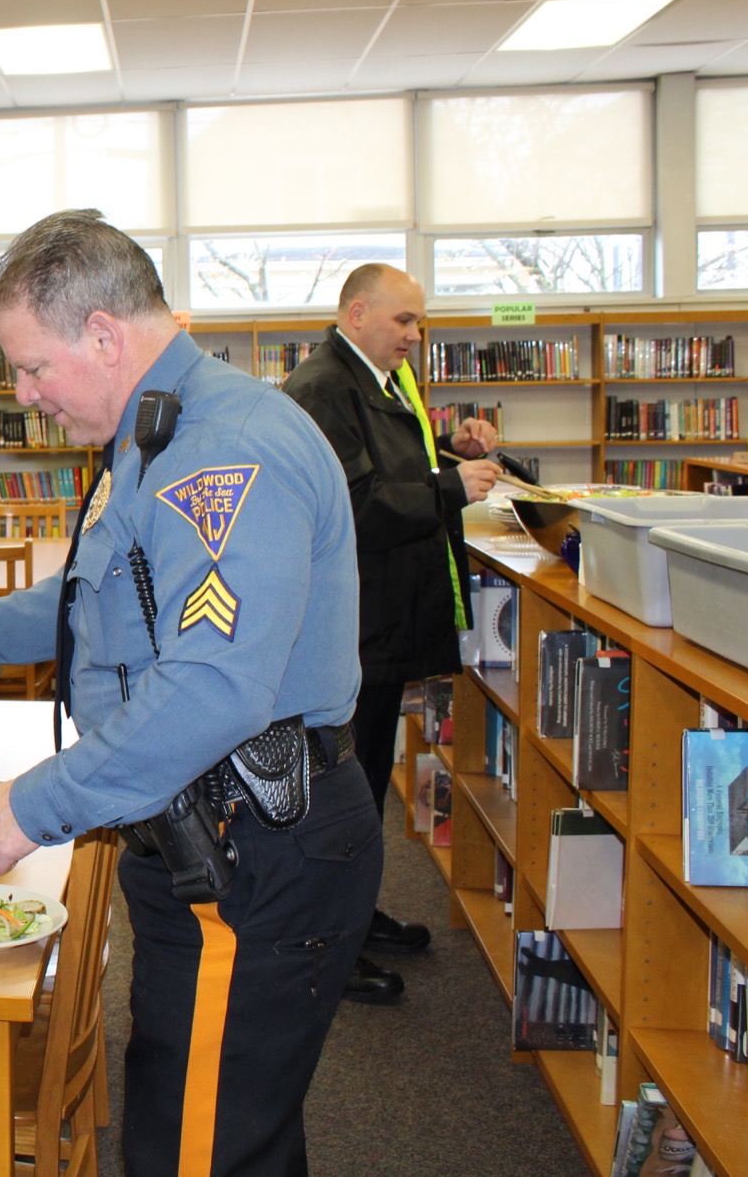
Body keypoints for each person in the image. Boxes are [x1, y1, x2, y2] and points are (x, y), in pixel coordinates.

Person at [0, 209, 380, 1177]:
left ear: (102, 334)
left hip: (251, 841)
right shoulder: (155, 430)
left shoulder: (225, 449)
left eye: (32, 367)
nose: (23, 396)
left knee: (201, 1142)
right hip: (207, 831)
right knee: (208, 1117)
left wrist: (36, 804)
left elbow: (211, 687)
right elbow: (100, 592)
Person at [282, 263, 500, 1004]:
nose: (414, 334)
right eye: (404, 320)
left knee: (367, 783)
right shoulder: (323, 388)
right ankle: (328, 948)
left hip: (382, 625)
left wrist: (451, 453)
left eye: (418, 322)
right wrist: (449, 489)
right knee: (345, 791)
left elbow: (394, 464)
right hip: (355, 630)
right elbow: (357, 506)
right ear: (358, 311)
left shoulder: (373, 378)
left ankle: (355, 914)